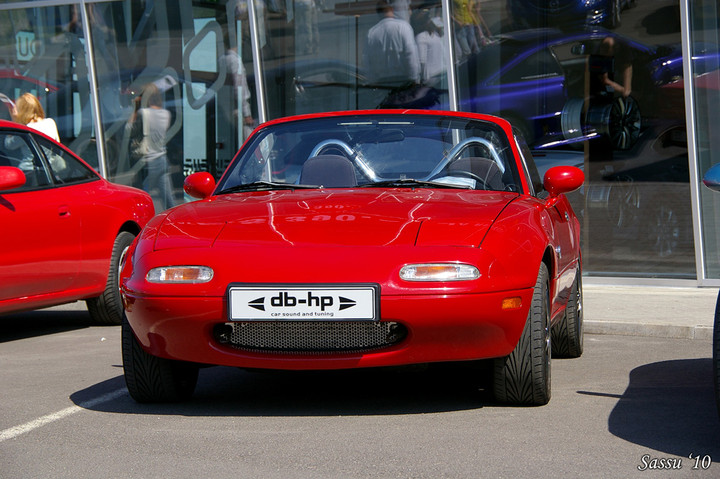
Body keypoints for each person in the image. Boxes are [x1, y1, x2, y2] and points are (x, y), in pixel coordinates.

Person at [127, 83, 174, 211]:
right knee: (168, 199)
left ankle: (143, 220)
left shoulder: (143, 113)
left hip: (148, 161)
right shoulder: (166, 114)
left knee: (142, 198)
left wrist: (135, 109)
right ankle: (175, 218)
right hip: (162, 159)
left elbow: (128, 130)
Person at [363, 0, 420, 87]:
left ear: (378, 13)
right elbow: (411, 55)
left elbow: (367, 61)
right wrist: (414, 79)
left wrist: (372, 82)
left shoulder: (371, 33)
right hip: (403, 80)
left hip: (382, 83)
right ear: (392, 10)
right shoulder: (403, 27)